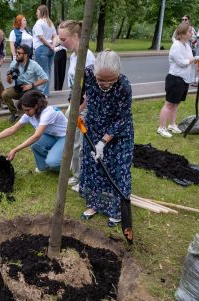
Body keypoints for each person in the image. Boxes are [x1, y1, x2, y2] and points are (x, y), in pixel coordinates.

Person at [79, 50, 134, 227]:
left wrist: (103, 142)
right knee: (94, 167)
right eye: (101, 79)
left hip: (118, 133)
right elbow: (77, 94)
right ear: (94, 72)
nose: (105, 84)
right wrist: (76, 111)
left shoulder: (124, 86)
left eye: (111, 80)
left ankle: (116, 210)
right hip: (93, 127)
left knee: (117, 170)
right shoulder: (86, 73)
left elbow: (122, 119)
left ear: (118, 73)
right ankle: (94, 204)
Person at [0, 89, 67, 172]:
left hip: (66, 136)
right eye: (24, 110)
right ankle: (45, 167)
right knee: (35, 145)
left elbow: (36, 136)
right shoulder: (30, 114)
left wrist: (15, 150)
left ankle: (66, 163)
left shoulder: (48, 113)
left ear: (36, 106)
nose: (26, 113)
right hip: (52, 135)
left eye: (27, 110)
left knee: (53, 162)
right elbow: (12, 129)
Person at [58, 20, 95, 192]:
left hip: (84, 107)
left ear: (75, 36)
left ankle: (84, 179)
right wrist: (71, 105)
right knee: (72, 142)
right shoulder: (73, 56)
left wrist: (79, 109)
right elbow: (73, 85)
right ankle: (77, 175)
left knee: (81, 144)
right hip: (75, 106)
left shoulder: (86, 57)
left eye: (63, 39)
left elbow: (90, 89)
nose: (61, 42)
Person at [157, 23, 199, 138]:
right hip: (175, 79)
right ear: (182, 33)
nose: (192, 33)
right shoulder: (176, 46)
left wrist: (195, 60)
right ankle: (161, 128)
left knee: (176, 104)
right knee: (169, 104)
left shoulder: (186, 45)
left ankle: (172, 125)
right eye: (189, 32)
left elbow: (188, 59)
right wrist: (195, 58)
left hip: (184, 80)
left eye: (191, 32)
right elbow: (182, 63)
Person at [2, 44, 47, 123]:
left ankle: (28, 114)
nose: (16, 55)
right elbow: (9, 82)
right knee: (5, 94)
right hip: (19, 88)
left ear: (26, 55)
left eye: (19, 53)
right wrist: (9, 77)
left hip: (31, 89)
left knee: (24, 101)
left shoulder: (34, 65)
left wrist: (31, 85)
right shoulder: (13, 63)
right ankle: (14, 113)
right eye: (16, 52)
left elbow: (45, 79)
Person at [32, 5, 58, 97]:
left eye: (37, 11)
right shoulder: (50, 23)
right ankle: (46, 92)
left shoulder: (39, 22)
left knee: (42, 71)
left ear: (42, 12)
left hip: (41, 48)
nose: (36, 13)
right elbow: (55, 35)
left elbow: (40, 37)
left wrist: (50, 45)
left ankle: (43, 92)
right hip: (50, 49)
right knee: (48, 71)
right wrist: (53, 45)